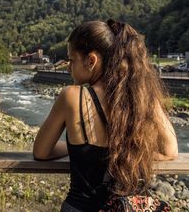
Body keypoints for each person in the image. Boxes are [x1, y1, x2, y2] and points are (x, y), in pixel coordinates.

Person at [33, 20, 178, 212]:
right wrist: (130, 151)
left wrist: (77, 149)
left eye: (71, 60)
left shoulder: (72, 96)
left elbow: (41, 152)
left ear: (91, 61)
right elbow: (170, 151)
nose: (68, 67)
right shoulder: (140, 97)